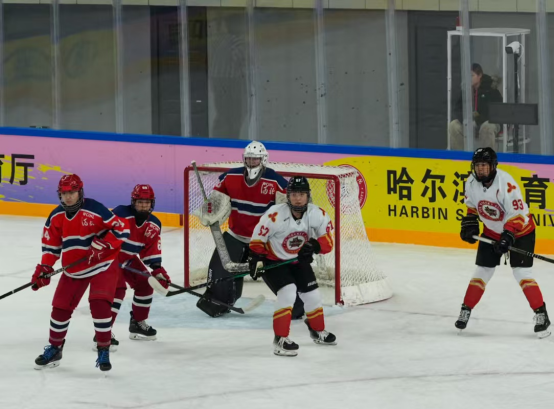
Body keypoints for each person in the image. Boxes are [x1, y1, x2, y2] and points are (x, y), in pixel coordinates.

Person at [196, 141, 305, 319]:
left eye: (255, 159)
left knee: (277, 272)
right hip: (236, 235)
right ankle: (219, 301)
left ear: (263, 160)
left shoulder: (275, 181)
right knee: (219, 270)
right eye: (249, 159)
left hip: (264, 241)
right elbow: (216, 199)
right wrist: (210, 209)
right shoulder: (231, 176)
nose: (252, 162)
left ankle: (297, 304)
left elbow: (290, 205)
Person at [33, 174, 130, 371]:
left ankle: (103, 349)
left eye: (72, 192)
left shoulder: (95, 208)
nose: (68, 197)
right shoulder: (56, 216)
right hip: (74, 268)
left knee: (99, 304)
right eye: (64, 193)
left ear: (80, 192)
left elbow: (121, 228)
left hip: (102, 264)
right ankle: (55, 348)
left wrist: (104, 244)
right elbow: (51, 246)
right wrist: (45, 268)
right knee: (60, 308)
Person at [457, 147, 550, 338]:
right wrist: (470, 223)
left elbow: (517, 215)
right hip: (491, 232)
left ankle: (541, 314)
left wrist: (507, 237)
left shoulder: (506, 183)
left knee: (521, 272)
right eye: (478, 165)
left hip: (521, 231)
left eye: (484, 165)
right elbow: (472, 206)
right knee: (483, 270)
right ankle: (466, 309)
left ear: (493, 166)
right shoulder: (471, 182)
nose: (480, 169)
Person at [249, 176, 337, 357]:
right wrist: (256, 259)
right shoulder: (275, 215)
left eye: (302, 194)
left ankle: (317, 331)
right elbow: (257, 241)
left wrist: (314, 246)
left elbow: (328, 242)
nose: (298, 198)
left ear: (308, 196)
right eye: (294, 194)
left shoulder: (317, 214)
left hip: (297, 261)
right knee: (288, 293)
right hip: (274, 262)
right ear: (287, 196)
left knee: (313, 296)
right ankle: (280, 339)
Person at [103, 184, 171, 347]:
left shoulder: (154, 224)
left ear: (152, 203)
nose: (143, 206)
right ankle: (103, 332)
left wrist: (157, 270)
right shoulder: (120, 213)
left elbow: (150, 249)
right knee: (118, 290)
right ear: (133, 202)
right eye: (140, 202)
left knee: (145, 284)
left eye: (147, 202)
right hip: (110, 258)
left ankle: (137, 323)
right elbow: (103, 234)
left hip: (128, 259)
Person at [449, 63, 503, 151]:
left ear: (480, 75)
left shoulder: (490, 90)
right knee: (454, 125)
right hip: (471, 123)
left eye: (472, 75)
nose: (469, 79)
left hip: (489, 122)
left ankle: (486, 157)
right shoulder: (466, 90)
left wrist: (476, 121)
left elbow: (494, 112)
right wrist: (464, 120)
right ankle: (460, 157)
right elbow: (457, 108)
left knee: (487, 127)